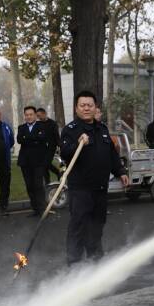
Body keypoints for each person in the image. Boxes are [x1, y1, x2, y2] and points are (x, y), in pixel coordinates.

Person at [60, 91, 130, 265]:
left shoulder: (102, 129)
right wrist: (78, 143)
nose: (86, 108)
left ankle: (95, 258)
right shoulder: (70, 130)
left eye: (89, 105)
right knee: (78, 226)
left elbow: (111, 155)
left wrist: (121, 171)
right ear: (76, 108)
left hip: (100, 188)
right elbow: (65, 153)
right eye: (82, 105)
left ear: (95, 107)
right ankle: (74, 263)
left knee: (97, 225)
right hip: (80, 189)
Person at [17, 106, 50, 217]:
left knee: (38, 185)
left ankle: (42, 209)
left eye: (31, 114)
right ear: (24, 116)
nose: (29, 117)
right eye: (27, 115)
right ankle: (35, 209)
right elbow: (20, 139)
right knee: (29, 185)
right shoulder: (21, 127)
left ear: (35, 115)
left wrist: (28, 138)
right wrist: (35, 138)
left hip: (38, 162)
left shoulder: (42, 126)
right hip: (25, 162)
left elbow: (43, 138)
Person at [36, 107, 61, 184]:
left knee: (46, 163)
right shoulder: (38, 124)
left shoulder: (52, 123)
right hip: (42, 148)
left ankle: (58, 172)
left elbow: (56, 136)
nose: (38, 117)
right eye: (37, 116)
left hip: (51, 147)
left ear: (44, 114)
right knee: (44, 167)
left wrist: (60, 146)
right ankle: (47, 183)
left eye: (39, 115)